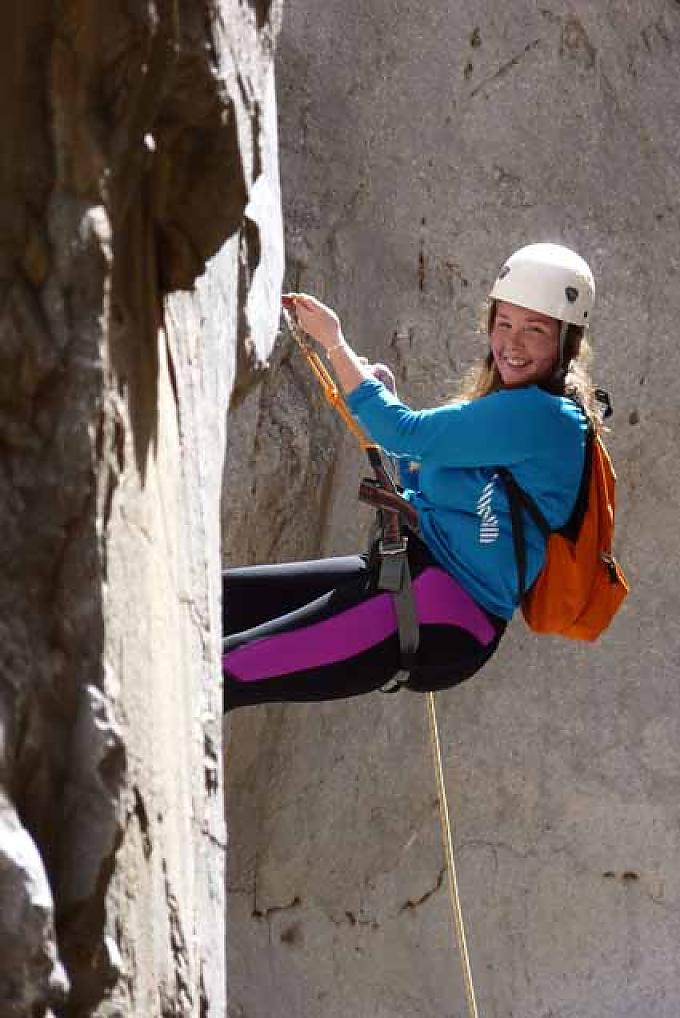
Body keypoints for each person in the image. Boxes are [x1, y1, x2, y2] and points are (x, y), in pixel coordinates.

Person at [223, 243, 599, 712]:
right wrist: (381, 398)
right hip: (412, 578)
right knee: (221, 601)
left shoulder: (543, 417)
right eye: (504, 324)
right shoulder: (514, 409)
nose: (512, 344)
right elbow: (428, 485)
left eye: (534, 330)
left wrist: (333, 343)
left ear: (566, 342)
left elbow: (401, 431)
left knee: (228, 670)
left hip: (444, 612)